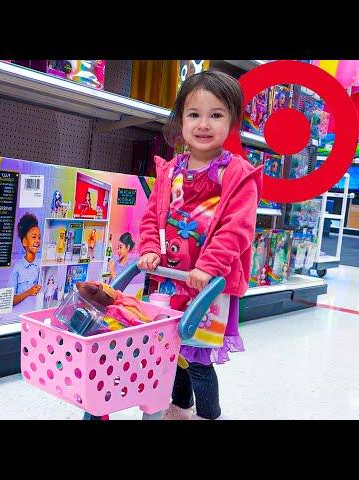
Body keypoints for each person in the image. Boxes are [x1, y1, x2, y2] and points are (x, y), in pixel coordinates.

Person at [137, 70, 262, 420]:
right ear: (181, 120)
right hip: (170, 278)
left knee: (199, 357)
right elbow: (151, 217)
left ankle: (209, 414)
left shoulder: (236, 174)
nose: (203, 124)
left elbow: (237, 229)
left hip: (210, 285)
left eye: (216, 115)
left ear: (232, 121)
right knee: (173, 348)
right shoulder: (171, 171)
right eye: (194, 114)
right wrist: (149, 248)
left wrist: (208, 267)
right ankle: (179, 408)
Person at [8, 213, 42, 311]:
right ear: (24, 242)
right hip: (18, 316)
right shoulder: (17, 268)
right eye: (34, 237)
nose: (38, 241)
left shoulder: (41, 266)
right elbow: (10, 301)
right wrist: (28, 292)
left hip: (36, 313)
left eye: (39, 237)